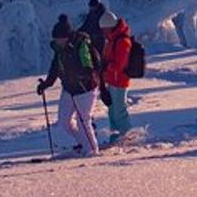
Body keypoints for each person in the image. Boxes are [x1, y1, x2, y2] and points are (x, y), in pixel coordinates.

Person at [37, 14, 102, 156]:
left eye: (59, 38)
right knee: (64, 120)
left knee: (83, 121)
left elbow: (90, 65)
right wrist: (46, 84)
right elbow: (55, 68)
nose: (57, 41)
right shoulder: (59, 50)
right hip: (69, 88)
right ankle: (84, 144)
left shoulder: (81, 45)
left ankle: (92, 150)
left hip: (85, 88)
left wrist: (84, 74)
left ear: (66, 37)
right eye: (55, 39)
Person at [99, 10, 133, 143]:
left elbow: (120, 64)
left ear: (109, 27)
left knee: (119, 112)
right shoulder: (112, 40)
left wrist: (106, 68)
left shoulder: (122, 41)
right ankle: (115, 138)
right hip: (112, 81)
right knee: (112, 113)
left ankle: (127, 137)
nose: (103, 33)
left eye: (104, 29)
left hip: (120, 82)